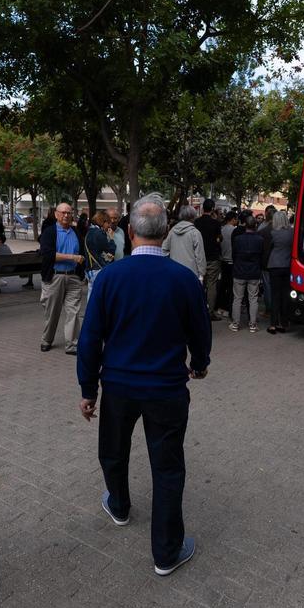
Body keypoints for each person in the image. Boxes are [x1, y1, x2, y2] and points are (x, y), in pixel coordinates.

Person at [76, 192, 211, 576]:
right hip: (167, 389)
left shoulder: (109, 278)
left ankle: (118, 505)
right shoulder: (184, 280)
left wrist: (88, 390)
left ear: (131, 231)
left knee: (113, 450)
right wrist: (199, 365)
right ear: (165, 231)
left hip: (118, 386)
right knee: (167, 467)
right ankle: (166, 553)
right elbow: (200, 332)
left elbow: (90, 339)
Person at [38, 202, 88, 353]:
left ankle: (72, 344)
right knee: (52, 312)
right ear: (56, 215)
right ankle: (47, 340)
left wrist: (81, 273)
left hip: (73, 277)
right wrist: (72, 257)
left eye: (69, 212)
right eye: (63, 213)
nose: (66, 215)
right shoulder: (49, 232)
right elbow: (47, 255)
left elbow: (83, 253)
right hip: (55, 277)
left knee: (74, 312)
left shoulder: (76, 231)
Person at [230, 212, 269, 332]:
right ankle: (252, 324)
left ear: (245, 225)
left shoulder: (238, 239)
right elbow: (263, 257)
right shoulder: (260, 240)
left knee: (237, 298)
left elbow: (234, 256)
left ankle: (235, 324)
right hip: (254, 272)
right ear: (255, 225)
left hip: (239, 271)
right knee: (253, 299)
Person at [194, 199, 223, 319]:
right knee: (212, 284)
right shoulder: (216, 223)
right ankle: (210, 311)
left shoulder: (196, 222)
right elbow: (219, 238)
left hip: (199, 257)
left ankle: (198, 309)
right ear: (212, 209)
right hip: (213, 257)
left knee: (200, 284)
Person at [265, 209, 293, 334]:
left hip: (274, 266)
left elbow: (269, 248)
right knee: (285, 295)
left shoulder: (273, 233)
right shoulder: (292, 233)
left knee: (275, 295)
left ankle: (273, 324)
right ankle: (284, 323)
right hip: (287, 266)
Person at [162, 205, 206, 281]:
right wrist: (202, 273)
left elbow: (164, 249)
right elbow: (200, 256)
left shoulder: (172, 231)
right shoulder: (195, 233)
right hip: (191, 273)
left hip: (174, 272)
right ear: (193, 217)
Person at [85, 211, 116, 287]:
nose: (109, 226)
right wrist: (111, 239)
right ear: (103, 222)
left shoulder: (90, 232)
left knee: (92, 294)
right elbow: (110, 250)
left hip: (91, 269)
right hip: (98, 269)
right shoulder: (99, 233)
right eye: (108, 223)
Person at [218, 209, 238, 319]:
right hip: (231, 261)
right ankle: (228, 308)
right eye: (236, 219)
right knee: (231, 287)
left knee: (222, 285)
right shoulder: (234, 231)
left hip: (222, 260)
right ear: (233, 219)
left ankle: (220, 307)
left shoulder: (222, 229)